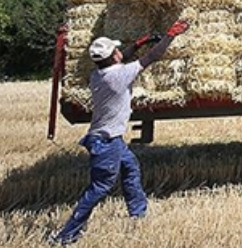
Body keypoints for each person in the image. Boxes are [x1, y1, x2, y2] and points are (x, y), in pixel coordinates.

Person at [50, 19, 191, 245]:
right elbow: (152, 57)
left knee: (130, 168)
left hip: (108, 139)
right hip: (106, 143)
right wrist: (171, 35)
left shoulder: (99, 74)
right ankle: (66, 235)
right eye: (116, 50)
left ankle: (138, 213)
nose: (119, 52)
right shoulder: (119, 76)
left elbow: (121, 57)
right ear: (112, 56)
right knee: (100, 187)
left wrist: (138, 42)